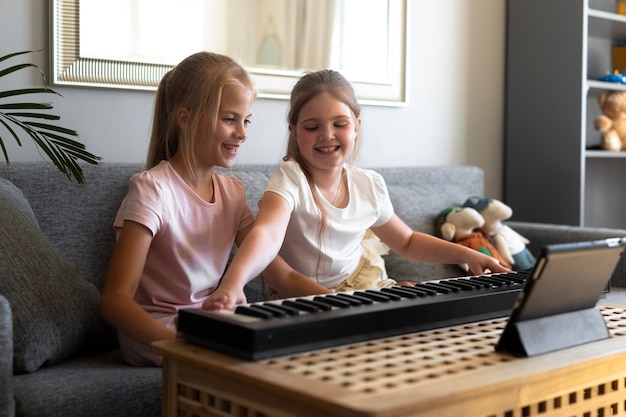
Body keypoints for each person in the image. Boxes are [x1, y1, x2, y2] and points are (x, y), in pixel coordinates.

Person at [205, 69, 510, 311]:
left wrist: (469, 255)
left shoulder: (368, 184)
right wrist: (232, 283)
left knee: (425, 313)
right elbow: (266, 235)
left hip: (363, 283)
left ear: (356, 126)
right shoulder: (290, 180)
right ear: (294, 132)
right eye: (312, 127)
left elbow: (407, 241)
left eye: (339, 124)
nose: (327, 135)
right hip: (301, 297)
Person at [101, 51, 260, 366]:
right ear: (186, 118)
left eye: (246, 120)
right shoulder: (152, 189)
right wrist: (180, 343)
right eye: (229, 119)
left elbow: (276, 269)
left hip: (208, 324)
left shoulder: (233, 192)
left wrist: (334, 301)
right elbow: (115, 301)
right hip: (157, 332)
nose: (242, 132)